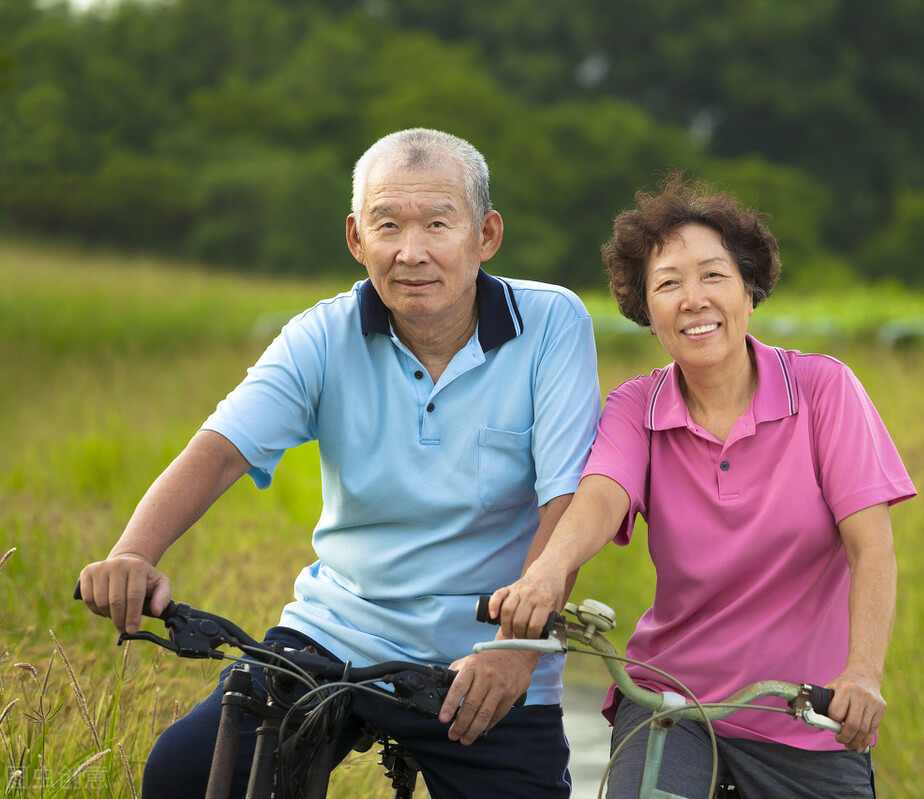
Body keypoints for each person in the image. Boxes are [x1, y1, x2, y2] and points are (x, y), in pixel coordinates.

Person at [77, 128, 601, 798]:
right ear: (357, 239)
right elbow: (216, 452)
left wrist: (516, 647)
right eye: (388, 225)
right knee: (185, 772)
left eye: (438, 224)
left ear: (486, 235)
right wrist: (132, 551)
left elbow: (567, 501)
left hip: (489, 655)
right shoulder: (320, 335)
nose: (411, 252)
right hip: (336, 633)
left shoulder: (552, 323)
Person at [491, 172, 916, 797]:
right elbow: (604, 492)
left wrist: (863, 673)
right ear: (647, 310)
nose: (693, 299)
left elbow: (871, 547)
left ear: (749, 290)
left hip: (801, 712)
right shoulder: (637, 404)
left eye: (713, 275)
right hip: (671, 701)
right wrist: (547, 572)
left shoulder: (824, 390)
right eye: (668, 284)